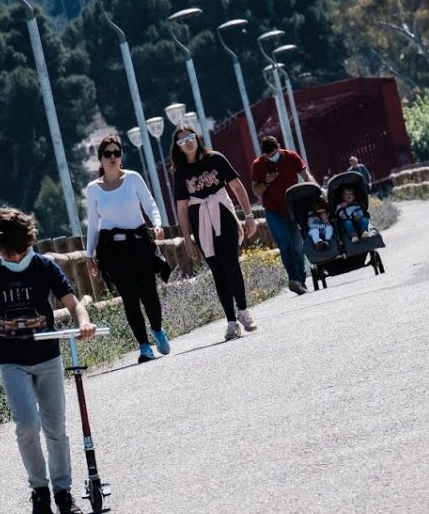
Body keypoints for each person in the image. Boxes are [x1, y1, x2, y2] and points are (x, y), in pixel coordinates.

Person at [0, 207, 96, 514]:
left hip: (47, 358)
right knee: (27, 426)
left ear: (30, 243)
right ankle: (39, 490)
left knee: (55, 427)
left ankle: (63, 492)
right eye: (8, 254)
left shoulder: (43, 266)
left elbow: (72, 302)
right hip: (12, 361)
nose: (16, 259)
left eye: (21, 253)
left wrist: (83, 323)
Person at [85, 134, 171, 364]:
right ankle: (143, 346)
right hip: (113, 250)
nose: (113, 158)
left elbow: (150, 203)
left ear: (121, 156)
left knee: (149, 293)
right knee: (129, 298)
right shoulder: (93, 189)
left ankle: (157, 330)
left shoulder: (133, 178)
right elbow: (93, 223)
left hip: (139, 243)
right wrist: (88, 255)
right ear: (100, 159)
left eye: (116, 153)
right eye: (107, 154)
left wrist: (157, 223)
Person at [171, 123, 259, 341]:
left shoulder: (215, 159)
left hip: (223, 214)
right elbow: (182, 208)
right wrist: (187, 238)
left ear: (197, 137)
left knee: (231, 264)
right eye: (182, 141)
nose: (187, 143)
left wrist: (249, 217)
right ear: (178, 147)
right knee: (217, 271)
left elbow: (237, 187)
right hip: (200, 221)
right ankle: (231, 321)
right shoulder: (180, 171)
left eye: (190, 137)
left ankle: (244, 310)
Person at [250, 135, 316, 295]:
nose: (272, 157)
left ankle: (301, 279)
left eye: (274, 153)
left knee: (298, 246)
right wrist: (266, 182)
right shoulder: (258, 165)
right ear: (263, 154)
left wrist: (315, 188)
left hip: (294, 208)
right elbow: (255, 191)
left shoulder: (291, 156)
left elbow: (306, 175)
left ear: (279, 147)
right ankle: (293, 279)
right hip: (273, 210)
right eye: (269, 156)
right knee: (285, 245)